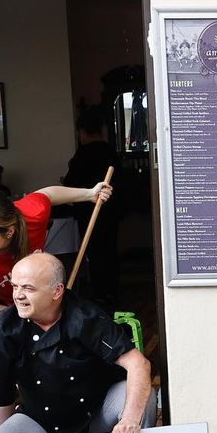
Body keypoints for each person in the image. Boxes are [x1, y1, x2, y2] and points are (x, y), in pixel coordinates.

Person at [0, 253, 156, 433]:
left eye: (27, 288)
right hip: (40, 420)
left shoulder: (85, 316)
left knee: (144, 397)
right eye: (14, 286)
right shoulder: (6, 325)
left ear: (57, 291)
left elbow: (139, 364)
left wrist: (129, 420)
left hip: (98, 413)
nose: (17, 295)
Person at [0, 181, 112, 337]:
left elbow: (48, 195)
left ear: (9, 232)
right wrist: (35, 319)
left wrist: (90, 193)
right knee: (5, 352)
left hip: (32, 297)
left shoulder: (31, 215)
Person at [63, 106, 121, 303]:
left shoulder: (82, 155)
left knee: (95, 254)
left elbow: (71, 184)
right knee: (110, 251)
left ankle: (100, 296)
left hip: (90, 212)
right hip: (111, 212)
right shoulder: (111, 152)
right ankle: (111, 292)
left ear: (82, 132)